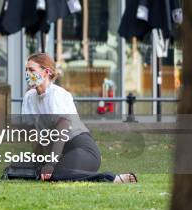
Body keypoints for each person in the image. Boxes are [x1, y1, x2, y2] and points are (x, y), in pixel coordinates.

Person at [22, 52, 137, 183]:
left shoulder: (58, 95)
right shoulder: (29, 97)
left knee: (55, 174)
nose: (27, 74)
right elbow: (33, 135)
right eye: (26, 70)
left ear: (46, 72)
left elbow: (62, 130)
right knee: (27, 169)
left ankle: (111, 178)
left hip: (82, 148)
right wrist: (39, 162)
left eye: (31, 70)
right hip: (58, 152)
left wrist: (50, 164)